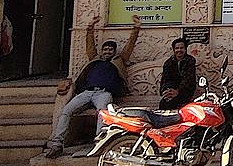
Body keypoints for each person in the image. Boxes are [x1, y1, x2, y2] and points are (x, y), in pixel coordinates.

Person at [44, 14, 141, 158]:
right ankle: (57, 144)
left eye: (110, 50)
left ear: (114, 52)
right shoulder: (94, 60)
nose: (107, 52)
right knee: (66, 111)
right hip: (86, 93)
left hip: (104, 93)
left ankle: (99, 143)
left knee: (102, 114)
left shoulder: (119, 60)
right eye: (105, 49)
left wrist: (136, 27)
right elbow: (89, 44)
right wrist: (90, 27)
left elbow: (130, 45)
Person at [159, 37, 197, 110]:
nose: (179, 50)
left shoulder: (190, 60)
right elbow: (165, 79)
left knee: (174, 102)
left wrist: (177, 91)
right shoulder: (168, 62)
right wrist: (166, 91)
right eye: (177, 48)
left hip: (185, 90)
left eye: (181, 48)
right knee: (164, 103)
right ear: (174, 50)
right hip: (172, 89)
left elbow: (188, 79)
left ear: (185, 49)